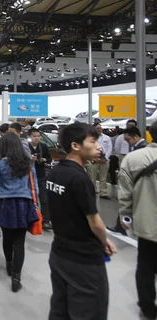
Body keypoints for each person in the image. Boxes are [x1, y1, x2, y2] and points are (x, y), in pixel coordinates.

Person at [46, 123, 116, 320]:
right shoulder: (79, 178)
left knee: (60, 309)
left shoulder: (55, 172)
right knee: (89, 312)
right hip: (83, 260)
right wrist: (104, 241)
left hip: (59, 253)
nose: (99, 146)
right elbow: (94, 221)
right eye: (92, 142)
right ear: (75, 146)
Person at [118, 120, 157, 320]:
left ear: (150, 134)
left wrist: (127, 217)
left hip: (147, 225)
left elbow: (125, 195)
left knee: (146, 268)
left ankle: (148, 309)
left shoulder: (133, 159)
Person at [0, 133, 39, 292]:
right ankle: (16, 277)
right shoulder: (28, 163)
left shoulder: (0, 165)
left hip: (5, 204)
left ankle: (9, 264)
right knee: (20, 241)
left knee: (7, 237)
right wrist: (36, 203)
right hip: (24, 204)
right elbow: (34, 186)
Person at [28, 128, 53, 230]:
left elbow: (49, 158)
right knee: (30, 198)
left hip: (41, 174)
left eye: (38, 136)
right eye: (34, 136)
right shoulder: (26, 147)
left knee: (44, 198)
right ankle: (31, 219)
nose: (37, 138)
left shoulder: (43, 147)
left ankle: (45, 220)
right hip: (28, 176)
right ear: (30, 137)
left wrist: (45, 160)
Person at [86, 123, 113, 199]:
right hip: (93, 160)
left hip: (104, 160)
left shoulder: (107, 138)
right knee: (92, 177)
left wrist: (105, 158)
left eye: (100, 128)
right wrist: (93, 158)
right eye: (97, 128)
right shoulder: (89, 138)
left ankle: (103, 193)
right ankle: (92, 191)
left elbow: (109, 148)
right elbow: (88, 149)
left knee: (103, 177)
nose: (99, 129)